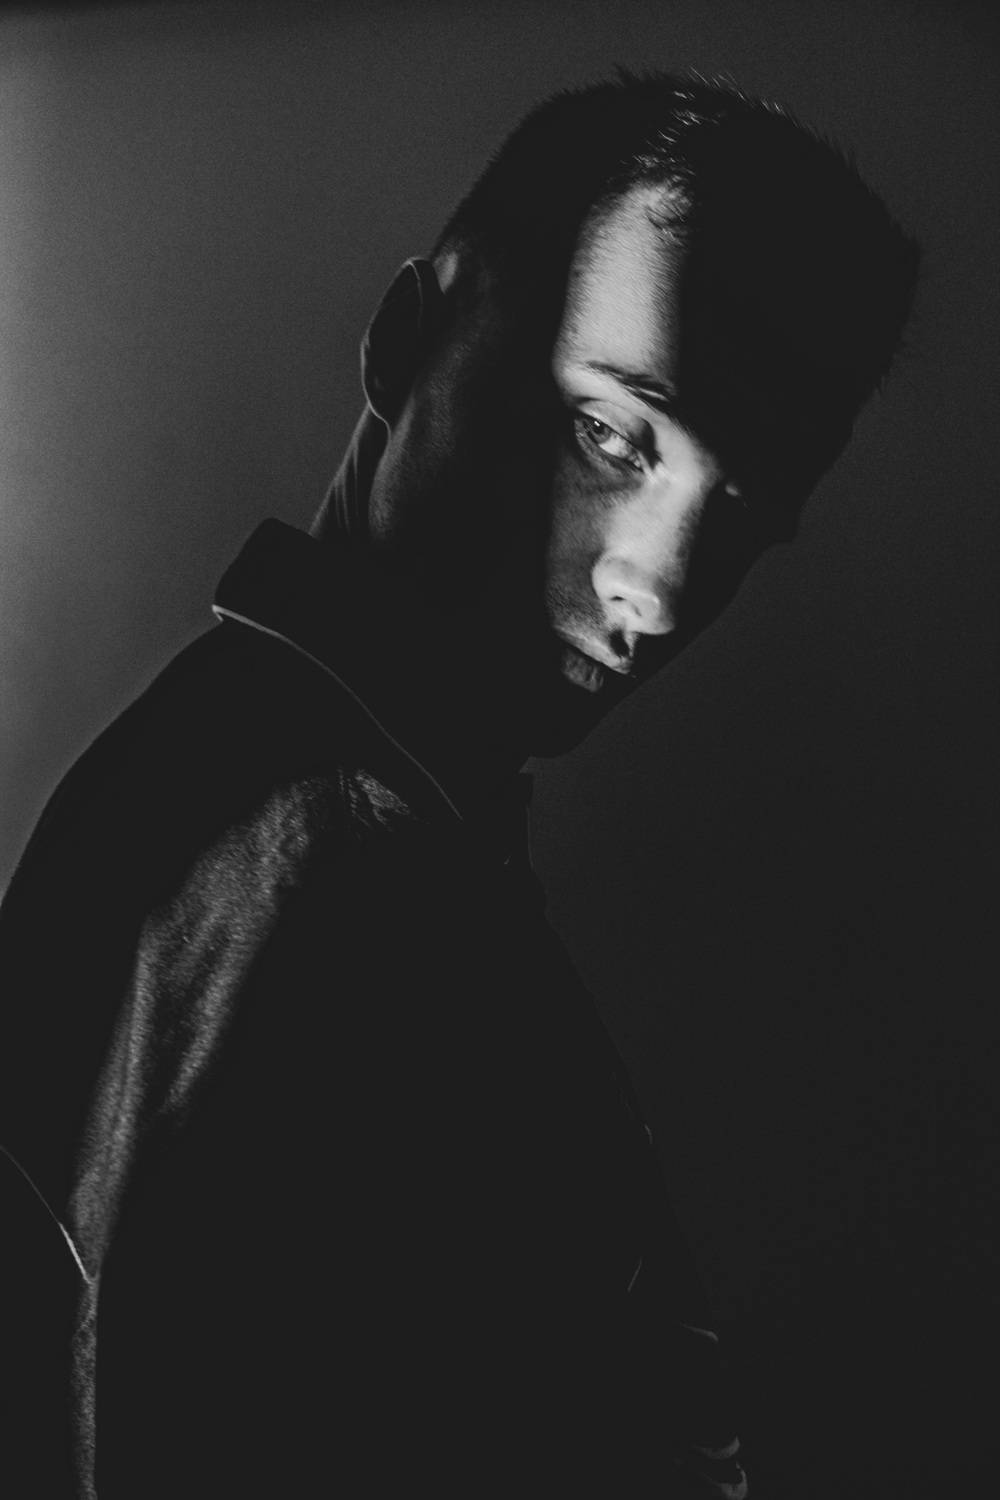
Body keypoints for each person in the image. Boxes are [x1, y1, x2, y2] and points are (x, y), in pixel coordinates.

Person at [0, 73, 917, 1498]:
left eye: (740, 512)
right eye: (613, 435)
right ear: (405, 341)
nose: (663, 589)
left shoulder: (348, 812)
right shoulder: (307, 877)